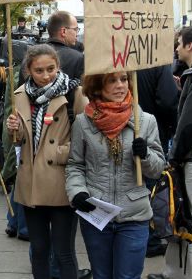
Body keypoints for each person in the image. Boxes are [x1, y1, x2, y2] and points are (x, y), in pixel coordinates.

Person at [66, 71, 165, 279]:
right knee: (101, 275)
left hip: (135, 215)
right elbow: (75, 165)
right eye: (112, 80)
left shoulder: (145, 121)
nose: (121, 85)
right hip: (96, 215)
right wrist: (77, 192)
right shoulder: (83, 123)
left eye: (124, 79)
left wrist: (145, 155)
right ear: (97, 86)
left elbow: (157, 169)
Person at [6, 44, 87, 279]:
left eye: (50, 69)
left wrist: (56, 154)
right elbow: (19, 141)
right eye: (39, 70)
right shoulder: (20, 94)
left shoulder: (74, 93)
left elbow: (86, 141)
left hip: (61, 184)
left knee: (63, 253)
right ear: (29, 70)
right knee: (39, 250)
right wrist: (16, 129)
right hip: (31, 184)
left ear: (58, 66)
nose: (45, 76)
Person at [148, 25, 192, 279]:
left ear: (190, 46)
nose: (175, 48)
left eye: (179, 42)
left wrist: (175, 156)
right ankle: (174, 274)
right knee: (181, 219)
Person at [136, 65, 179, 258]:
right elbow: (168, 101)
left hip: (125, 130)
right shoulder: (157, 64)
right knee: (151, 186)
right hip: (152, 131)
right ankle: (150, 239)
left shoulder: (115, 57)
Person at [46, 11, 84, 80]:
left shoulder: (31, 56)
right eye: (75, 29)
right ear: (63, 31)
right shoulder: (78, 58)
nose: (77, 34)